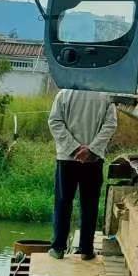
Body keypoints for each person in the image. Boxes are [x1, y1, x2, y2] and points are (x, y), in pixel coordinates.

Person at [47, 88, 117, 260]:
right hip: (93, 160)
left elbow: (55, 122)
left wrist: (73, 148)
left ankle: (58, 248)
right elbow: (110, 125)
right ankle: (86, 250)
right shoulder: (105, 96)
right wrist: (91, 150)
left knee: (63, 202)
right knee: (89, 204)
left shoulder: (64, 94)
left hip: (67, 158)